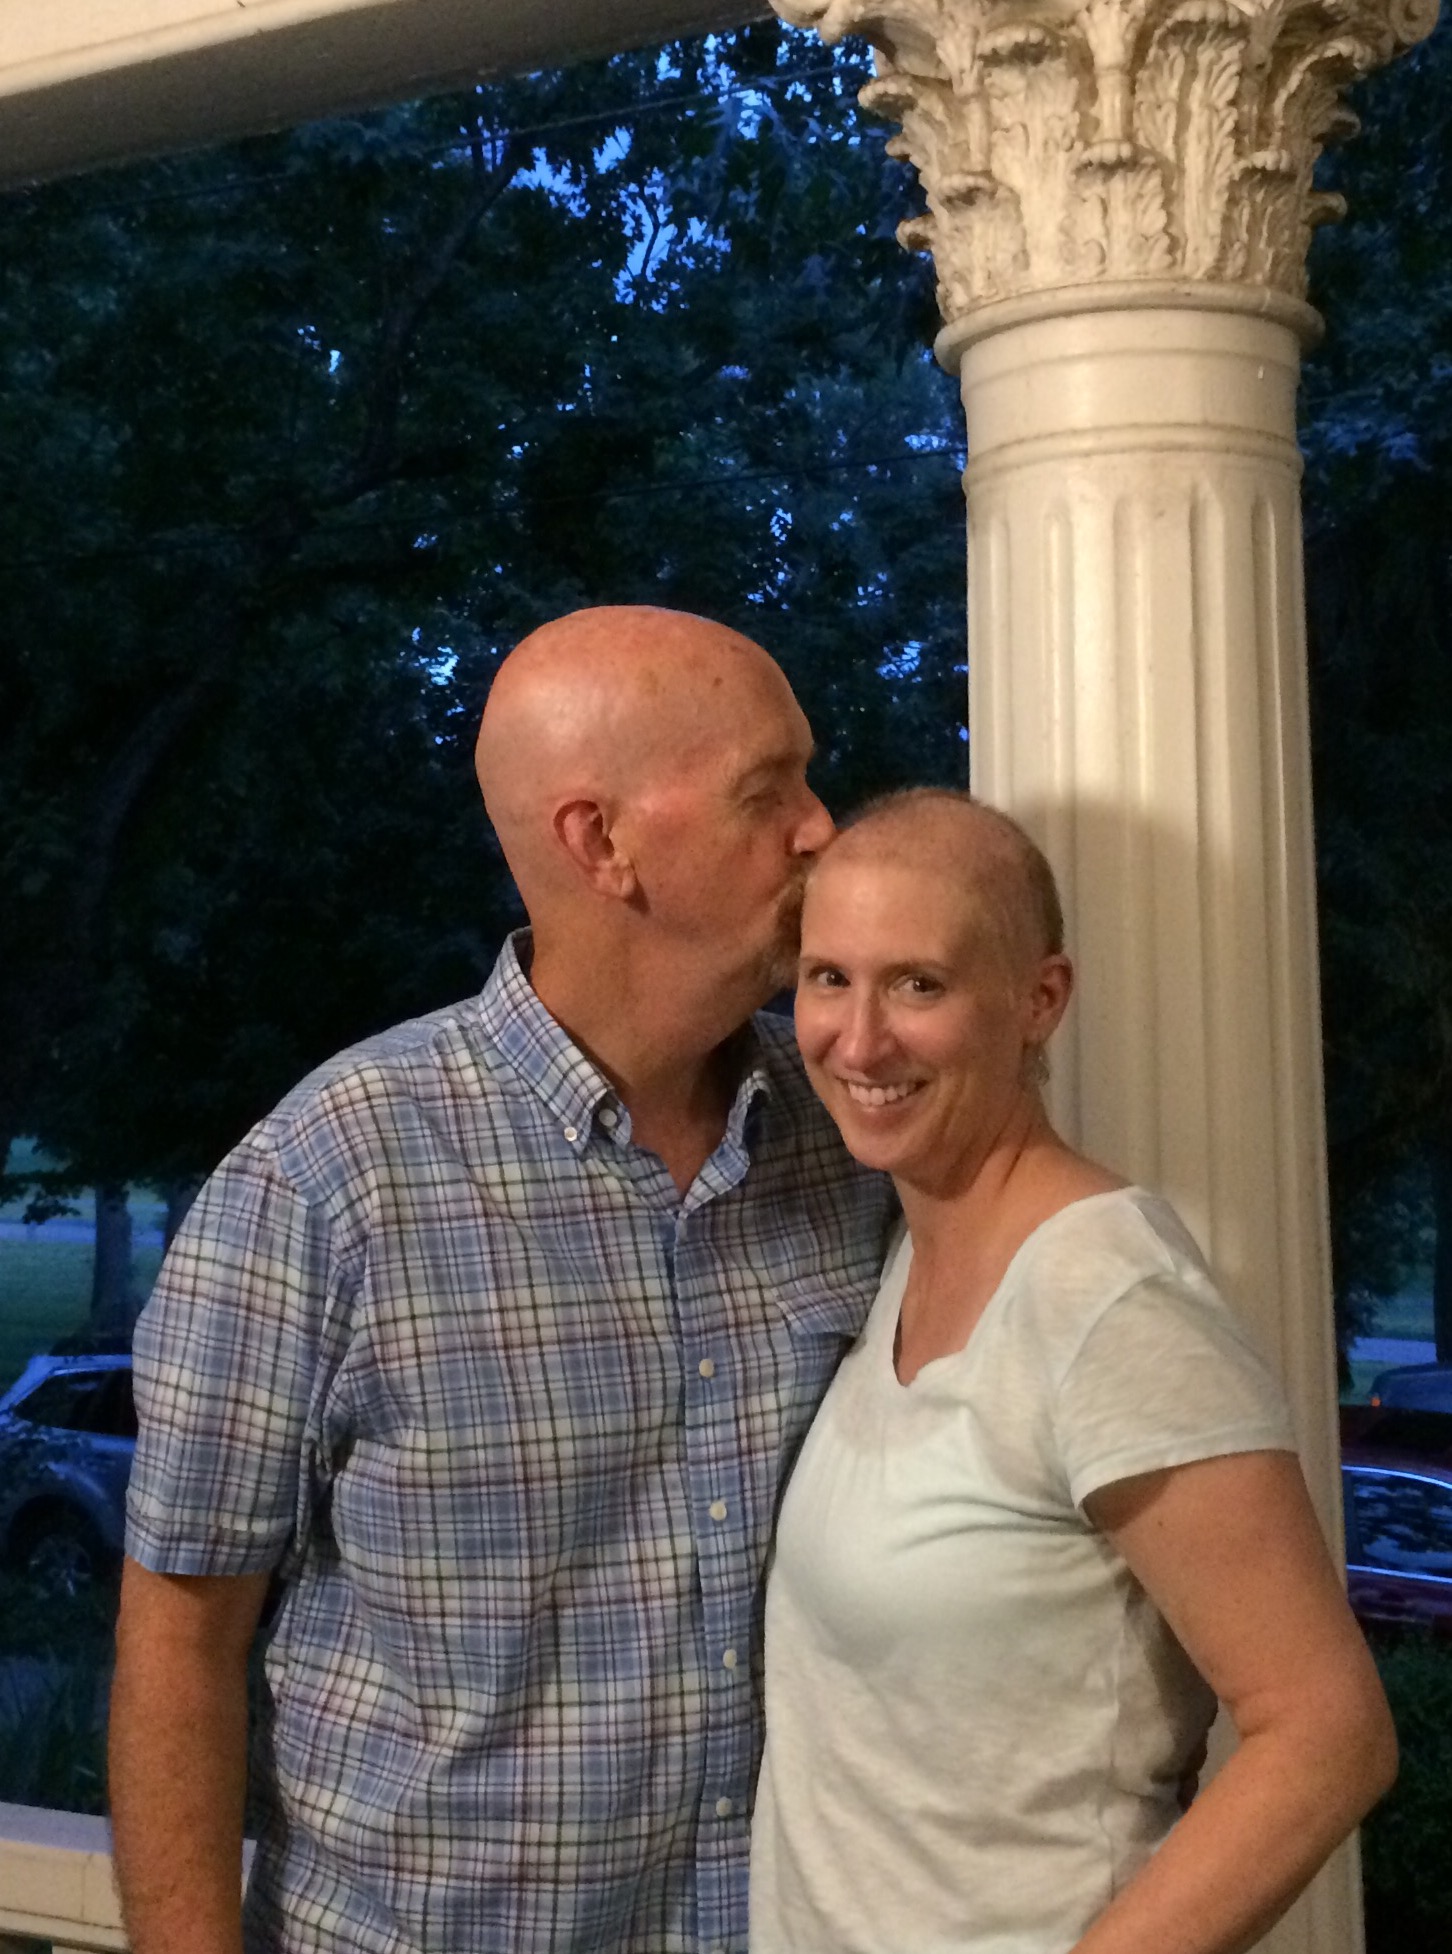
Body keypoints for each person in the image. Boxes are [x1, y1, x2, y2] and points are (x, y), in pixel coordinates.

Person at [108, 606, 897, 1954]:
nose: (823, 828)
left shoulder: (854, 1144)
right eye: (769, 790)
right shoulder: (326, 1179)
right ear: (603, 843)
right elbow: (179, 1645)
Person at [750, 789, 1397, 1954]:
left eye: (919, 984)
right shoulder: (912, 1249)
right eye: (828, 977)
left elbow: (1328, 1732)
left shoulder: (1108, 1296)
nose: (859, 1040)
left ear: (1040, 999)